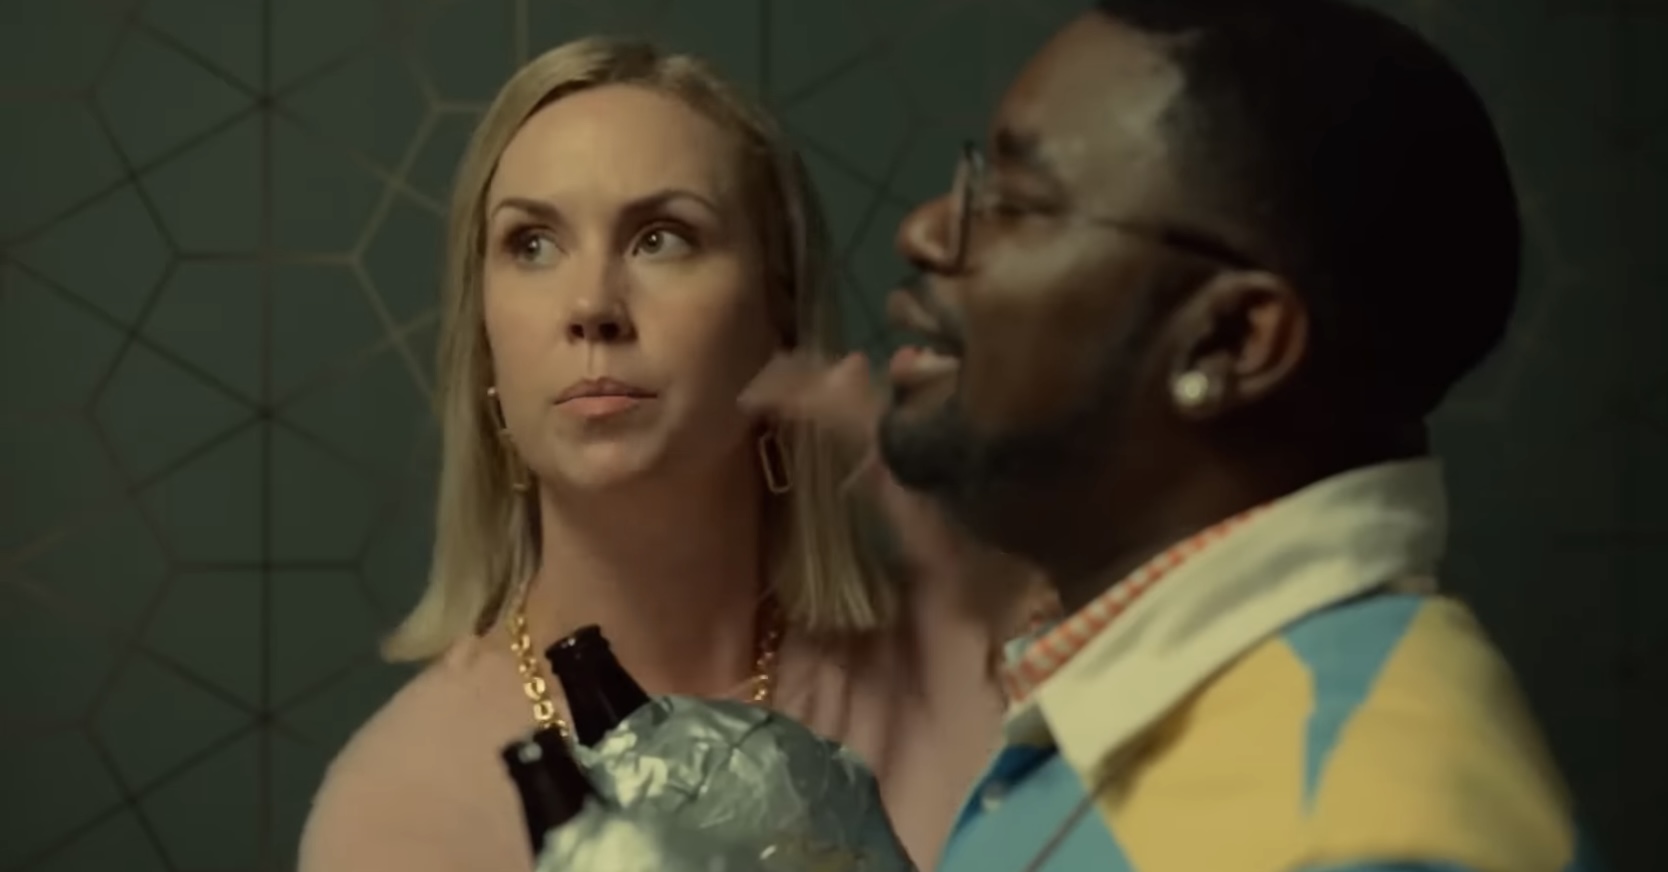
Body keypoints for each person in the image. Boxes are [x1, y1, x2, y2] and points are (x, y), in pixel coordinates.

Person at [858, 0, 1603, 870]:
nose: (924, 230)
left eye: (1017, 203)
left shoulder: (1353, 832)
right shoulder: (1132, 721)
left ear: (1233, 341)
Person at [296, 37, 1037, 872]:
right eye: (532, 244)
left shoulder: (987, 673)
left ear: (779, 318)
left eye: (662, 238)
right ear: (487, 352)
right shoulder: (399, 812)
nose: (591, 305)